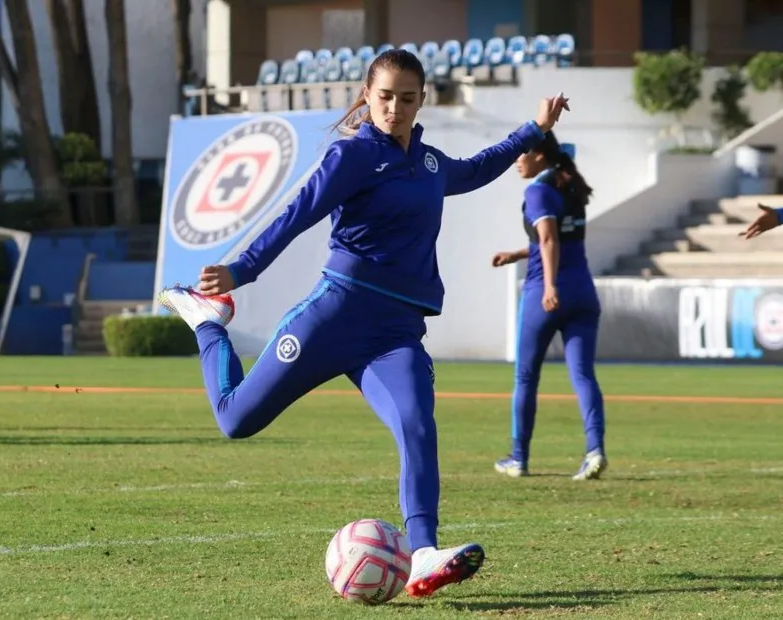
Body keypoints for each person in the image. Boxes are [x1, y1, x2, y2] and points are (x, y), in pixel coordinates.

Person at [158, 49, 568, 597]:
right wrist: (242, 270)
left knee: (417, 424)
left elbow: (476, 170)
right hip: (336, 315)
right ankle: (208, 324)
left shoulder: (427, 163)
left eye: (406, 97)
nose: (395, 107)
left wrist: (534, 129)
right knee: (236, 420)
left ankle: (422, 553)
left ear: (423, 100)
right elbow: (297, 211)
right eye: (385, 96)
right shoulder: (351, 156)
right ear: (367, 96)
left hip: (396, 333)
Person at [490, 131, 607, 481]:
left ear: (540, 154)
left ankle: (518, 457)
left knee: (526, 377)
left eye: (521, 153)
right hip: (583, 292)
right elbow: (562, 241)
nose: (516, 160)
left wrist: (551, 286)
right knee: (583, 375)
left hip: (546, 293)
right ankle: (595, 450)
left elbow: (549, 238)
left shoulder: (538, 191)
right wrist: (517, 253)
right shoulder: (570, 187)